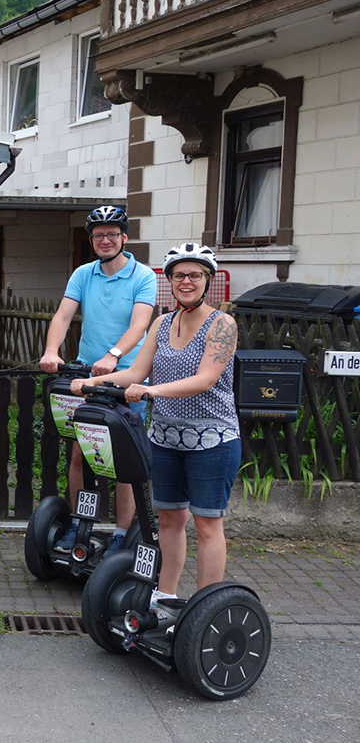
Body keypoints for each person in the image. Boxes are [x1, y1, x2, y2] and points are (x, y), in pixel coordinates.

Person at [73, 243, 238, 605]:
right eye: (179, 275)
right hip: (164, 438)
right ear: (170, 281)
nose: (186, 281)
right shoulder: (162, 324)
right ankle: (164, 596)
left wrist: (151, 391)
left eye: (194, 275)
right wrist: (91, 382)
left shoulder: (222, 324)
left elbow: (206, 379)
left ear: (207, 279)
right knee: (169, 520)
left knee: (207, 524)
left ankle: (205, 607)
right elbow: (135, 372)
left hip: (212, 439)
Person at [39, 206, 157, 553]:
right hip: (86, 379)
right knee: (80, 453)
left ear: (124, 237)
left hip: (126, 380)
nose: (105, 240)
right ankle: (79, 525)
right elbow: (63, 316)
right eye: (98, 235)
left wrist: (113, 355)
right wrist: (51, 351)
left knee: (123, 461)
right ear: (91, 240)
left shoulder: (143, 276)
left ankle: (120, 534)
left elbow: (140, 324)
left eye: (112, 234)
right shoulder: (83, 274)